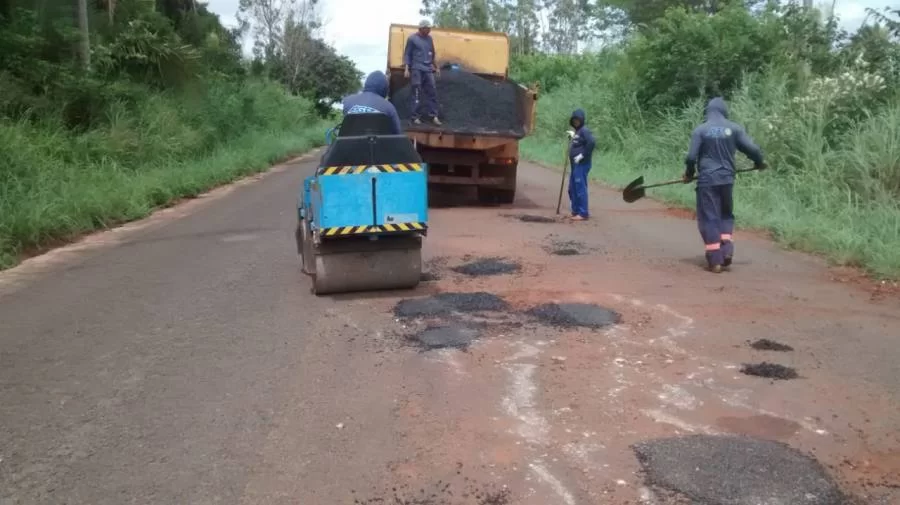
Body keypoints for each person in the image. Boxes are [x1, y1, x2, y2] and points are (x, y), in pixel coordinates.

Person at [684, 96, 765, 273]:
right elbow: (753, 150)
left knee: (709, 217)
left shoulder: (701, 130)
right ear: (724, 111)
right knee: (725, 215)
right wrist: (759, 162)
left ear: (708, 112)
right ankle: (726, 250)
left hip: (707, 180)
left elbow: (691, 157)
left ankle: (715, 260)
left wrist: (689, 174)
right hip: (727, 179)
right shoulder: (734, 128)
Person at [403, 19, 441, 125]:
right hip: (416, 69)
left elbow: (432, 54)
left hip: (428, 69)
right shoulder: (412, 39)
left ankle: (434, 116)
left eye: (429, 28)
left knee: (432, 91)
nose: (429, 30)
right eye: (427, 28)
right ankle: (415, 117)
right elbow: (407, 54)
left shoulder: (429, 39)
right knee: (417, 92)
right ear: (421, 28)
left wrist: (436, 67)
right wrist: (407, 69)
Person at [341, 70, 402, 134]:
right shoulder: (389, 107)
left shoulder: (347, 101)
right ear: (385, 88)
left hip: (349, 143)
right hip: (379, 144)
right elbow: (398, 134)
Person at [566, 109, 596, 221]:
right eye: (574, 120)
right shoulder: (577, 132)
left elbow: (591, 142)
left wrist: (582, 155)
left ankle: (583, 213)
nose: (576, 122)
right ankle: (575, 211)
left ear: (582, 120)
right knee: (572, 188)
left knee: (580, 188)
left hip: (582, 164)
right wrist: (572, 137)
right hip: (575, 165)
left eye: (578, 120)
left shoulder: (585, 131)